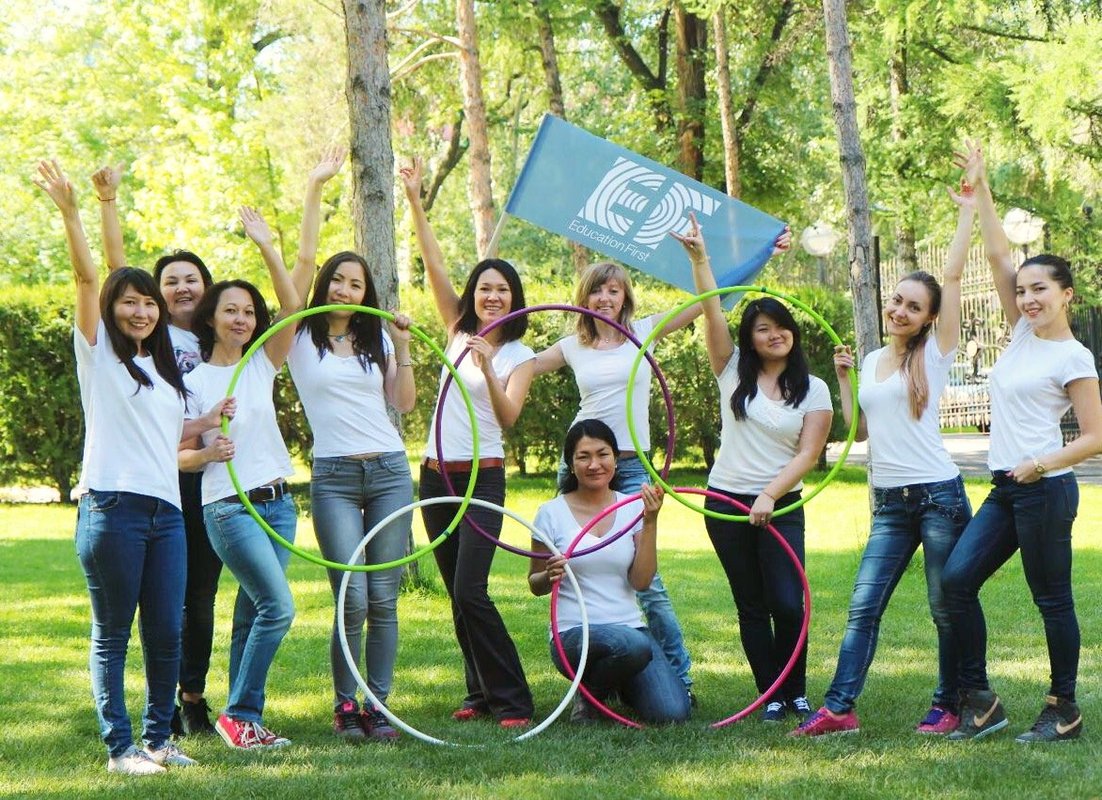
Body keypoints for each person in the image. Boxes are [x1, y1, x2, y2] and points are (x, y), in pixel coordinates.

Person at [35, 160, 223, 774]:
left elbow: (167, 432)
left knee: (166, 632)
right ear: (112, 309)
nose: (141, 311)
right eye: (130, 303)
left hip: (165, 512)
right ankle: (120, 749)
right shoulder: (99, 357)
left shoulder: (162, 369)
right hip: (112, 508)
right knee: (114, 633)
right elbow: (95, 275)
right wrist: (83, 209)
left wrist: (207, 420)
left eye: (149, 303)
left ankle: (159, 739)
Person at [791, 169, 975, 737]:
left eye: (913, 306)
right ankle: (839, 709)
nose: (899, 310)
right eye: (897, 300)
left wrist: (968, 208)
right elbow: (862, 430)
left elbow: (951, 274)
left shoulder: (936, 353)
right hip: (890, 503)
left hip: (939, 498)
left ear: (929, 318)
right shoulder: (873, 359)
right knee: (863, 607)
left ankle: (949, 704)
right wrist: (845, 380)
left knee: (944, 607)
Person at [941, 143, 1102, 742]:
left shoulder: (1073, 356)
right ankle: (981, 701)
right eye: (1024, 290)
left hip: (1045, 489)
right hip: (1007, 487)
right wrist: (980, 187)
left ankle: (1064, 708)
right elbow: (997, 252)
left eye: (1041, 290)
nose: (1029, 298)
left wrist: (1042, 462)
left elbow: (1096, 436)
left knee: (1051, 600)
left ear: (1067, 295)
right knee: (956, 581)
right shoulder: (1019, 334)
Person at [675, 214, 829, 725]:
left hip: (780, 503)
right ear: (750, 338)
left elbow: (807, 455)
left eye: (781, 326)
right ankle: (770, 695)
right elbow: (711, 309)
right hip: (724, 501)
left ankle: (795, 690)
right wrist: (701, 258)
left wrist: (768, 495)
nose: (774, 334)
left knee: (788, 602)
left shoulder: (814, 389)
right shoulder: (731, 371)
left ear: (793, 332)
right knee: (751, 604)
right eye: (763, 329)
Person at [286, 148, 415, 741]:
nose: (345, 288)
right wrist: (315, 186)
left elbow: (404, 404)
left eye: (356, 283)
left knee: (384, 596)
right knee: (352, 597)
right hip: (334, 477)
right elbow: (303, 256)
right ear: (325, 285)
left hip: (388, 471)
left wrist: (402, 347)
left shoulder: (375, 340)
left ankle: (378, 705)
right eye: (338, 279)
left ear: (366, 293)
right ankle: (346, 705)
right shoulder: (296, 336)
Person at [401, 157, 536, 727]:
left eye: (502, 290)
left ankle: (513, 699)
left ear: (514, 298)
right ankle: (478, 693)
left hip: (483, 476)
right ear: (473, 296)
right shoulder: (457, 330)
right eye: (484, 288)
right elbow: (434, 265)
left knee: (471, 590)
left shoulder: (519, 355)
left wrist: (487, 368)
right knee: (455, 590)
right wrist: (415, 200)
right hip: (436, 474)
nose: (492, 297)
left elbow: (507, 417)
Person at [91, 163, 222, 736]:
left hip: (184, 493)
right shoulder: (135, 345)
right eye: (168, 282)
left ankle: (176, 716)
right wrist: (105, 204)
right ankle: (134, 732)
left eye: (192, 279)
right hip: (130, 494)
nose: (180, 288)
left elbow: (170, 426)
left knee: (184, 610)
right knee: (126, 623)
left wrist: (209, 423)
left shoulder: (203, 344)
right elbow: (111, 275)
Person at [531, 260, 700, 699]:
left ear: (625, 296)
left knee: (650, 587)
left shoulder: (643, 331)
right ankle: (589, 665)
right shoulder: (573, 345)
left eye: (613, 290)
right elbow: (523, 367)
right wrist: (482, 351)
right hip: (582, 463)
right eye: (596, 290)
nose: (604, 298)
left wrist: (709, 260)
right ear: (584, 297)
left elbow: (704, 303)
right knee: (574, 564)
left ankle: (679, 679)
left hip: (631, 466)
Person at [178, 206, 302, 749]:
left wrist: (266, 245)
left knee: (253, 614)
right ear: (210, 318)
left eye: (249, 311)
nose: (242, 319)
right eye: (231, 310)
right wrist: (208, 451)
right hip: (229, 507)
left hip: (279, 503)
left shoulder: (260, 362)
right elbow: (177, 457)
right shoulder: (193, 382)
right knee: (279, 607)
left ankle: (242, 718)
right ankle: (241, 713)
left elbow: (294, 307)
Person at [529, 420, 690, 724]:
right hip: (573, 634)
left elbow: (641, 581)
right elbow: (535, 584)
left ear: (616, 459)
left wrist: (650, 521)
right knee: (633, 645)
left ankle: (613, 682)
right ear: (571, 464)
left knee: (672, 713)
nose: (594, 464)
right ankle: (589, 696)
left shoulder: (632, 508)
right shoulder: (550, 513)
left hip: (630, 630)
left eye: (602, 454)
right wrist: (548, 575)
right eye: (583, 456)